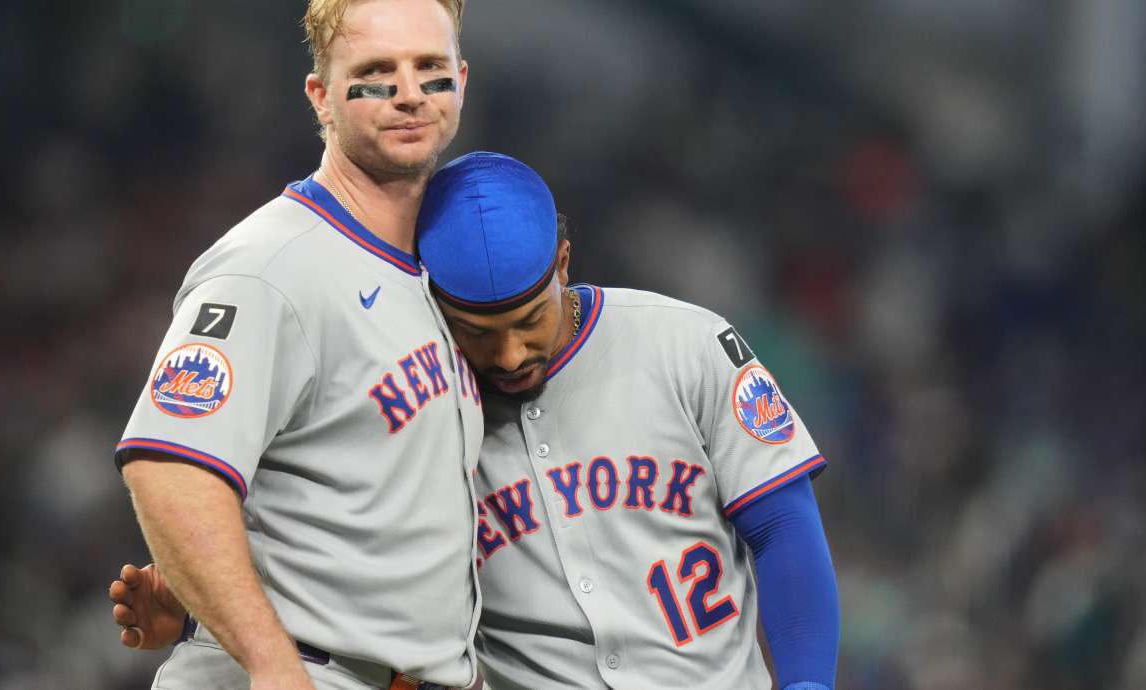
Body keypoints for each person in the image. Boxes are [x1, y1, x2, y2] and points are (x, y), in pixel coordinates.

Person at [112, 153, 841, 689]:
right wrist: (206, 620)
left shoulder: (685, 344)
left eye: (530, 321)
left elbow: (780, 525)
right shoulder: (418, 407)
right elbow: (344, 568)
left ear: (563, 260)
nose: (512, 352)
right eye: (480, 331)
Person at [110, 1, 484, 689]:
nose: (408, 92)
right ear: (321, 96)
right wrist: (268, 657)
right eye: (375, 71)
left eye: (429, 68)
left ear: (461, 80)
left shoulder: (437, 273)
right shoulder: (270, 266)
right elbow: (169, 470)